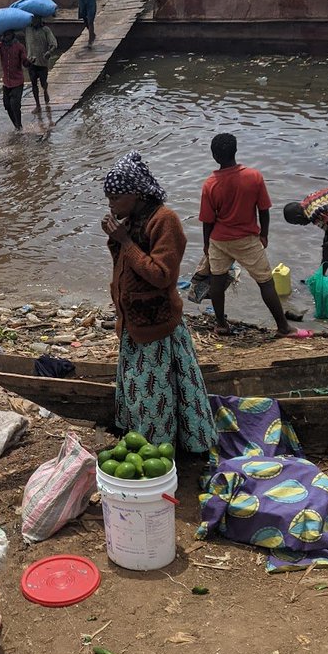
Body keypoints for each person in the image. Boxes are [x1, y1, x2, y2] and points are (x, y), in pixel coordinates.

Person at [101, 151, 215, 451]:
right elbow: (124, 265)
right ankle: (147, 442)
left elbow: (162, 275)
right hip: (133, 324)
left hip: (157, 326)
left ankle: (164, 451)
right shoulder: (134, 219)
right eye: (108, 198)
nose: (111, 205)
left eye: (115, 197)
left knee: (157, 393)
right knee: (141, 391)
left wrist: (124, 242)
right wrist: (117, 240)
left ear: (136, 194)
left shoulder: (165, 221)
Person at [199, 133, 311, 338]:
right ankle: (283, 327)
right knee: (265, 281)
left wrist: (207, 244)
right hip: (248, 239)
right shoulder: (254, 177)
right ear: (235, 151)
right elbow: (264, 210)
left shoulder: (210, 184)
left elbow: (207, 221)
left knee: (217, 279)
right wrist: (264, 235)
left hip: (219, 239)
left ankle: (222, 325)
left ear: (214, 155)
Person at [0, 29, 28, 130]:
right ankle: (16, 125)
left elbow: (24, 63)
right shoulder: (1, 46)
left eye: (8, 35)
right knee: (7, 105)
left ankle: (19, 125)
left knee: (15, 105)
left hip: (17, 81)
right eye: (5, 35)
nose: (6, 37)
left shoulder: (19, 47)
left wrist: (29, 61)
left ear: (13, 35)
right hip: (6, 81)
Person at [23, 15, 57, 111]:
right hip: (31, 62)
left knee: (43, 83)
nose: (35, 21)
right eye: (33, 19)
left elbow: (54, 44)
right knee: (33, 84)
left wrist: (49, 52)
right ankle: (38, 105)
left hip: (42, 62)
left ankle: (45, 91)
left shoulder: (45, 30)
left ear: (40, 20)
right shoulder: (27, 29)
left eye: (37, 19)